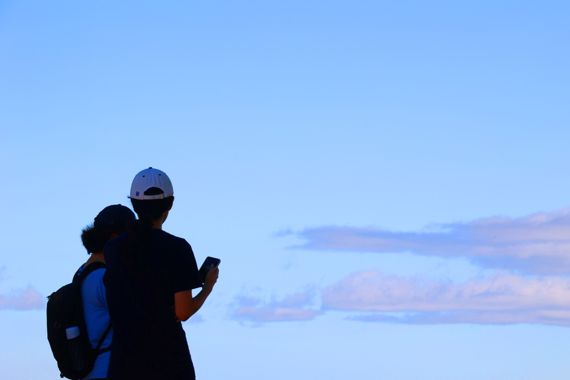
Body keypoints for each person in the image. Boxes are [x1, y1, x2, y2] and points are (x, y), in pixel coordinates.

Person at [104, 167, 219, 380]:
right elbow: (183, 311)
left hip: (123, 362)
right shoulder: (177, 248)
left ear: (134, 204)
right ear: (170, 204)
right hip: (167, 362)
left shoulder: (113, 249)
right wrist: (208, 287)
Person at [79, 204, 136, 380]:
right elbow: (137, 319)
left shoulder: (83, 272)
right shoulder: (104, 278)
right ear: (114, 237)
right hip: (109, 371)